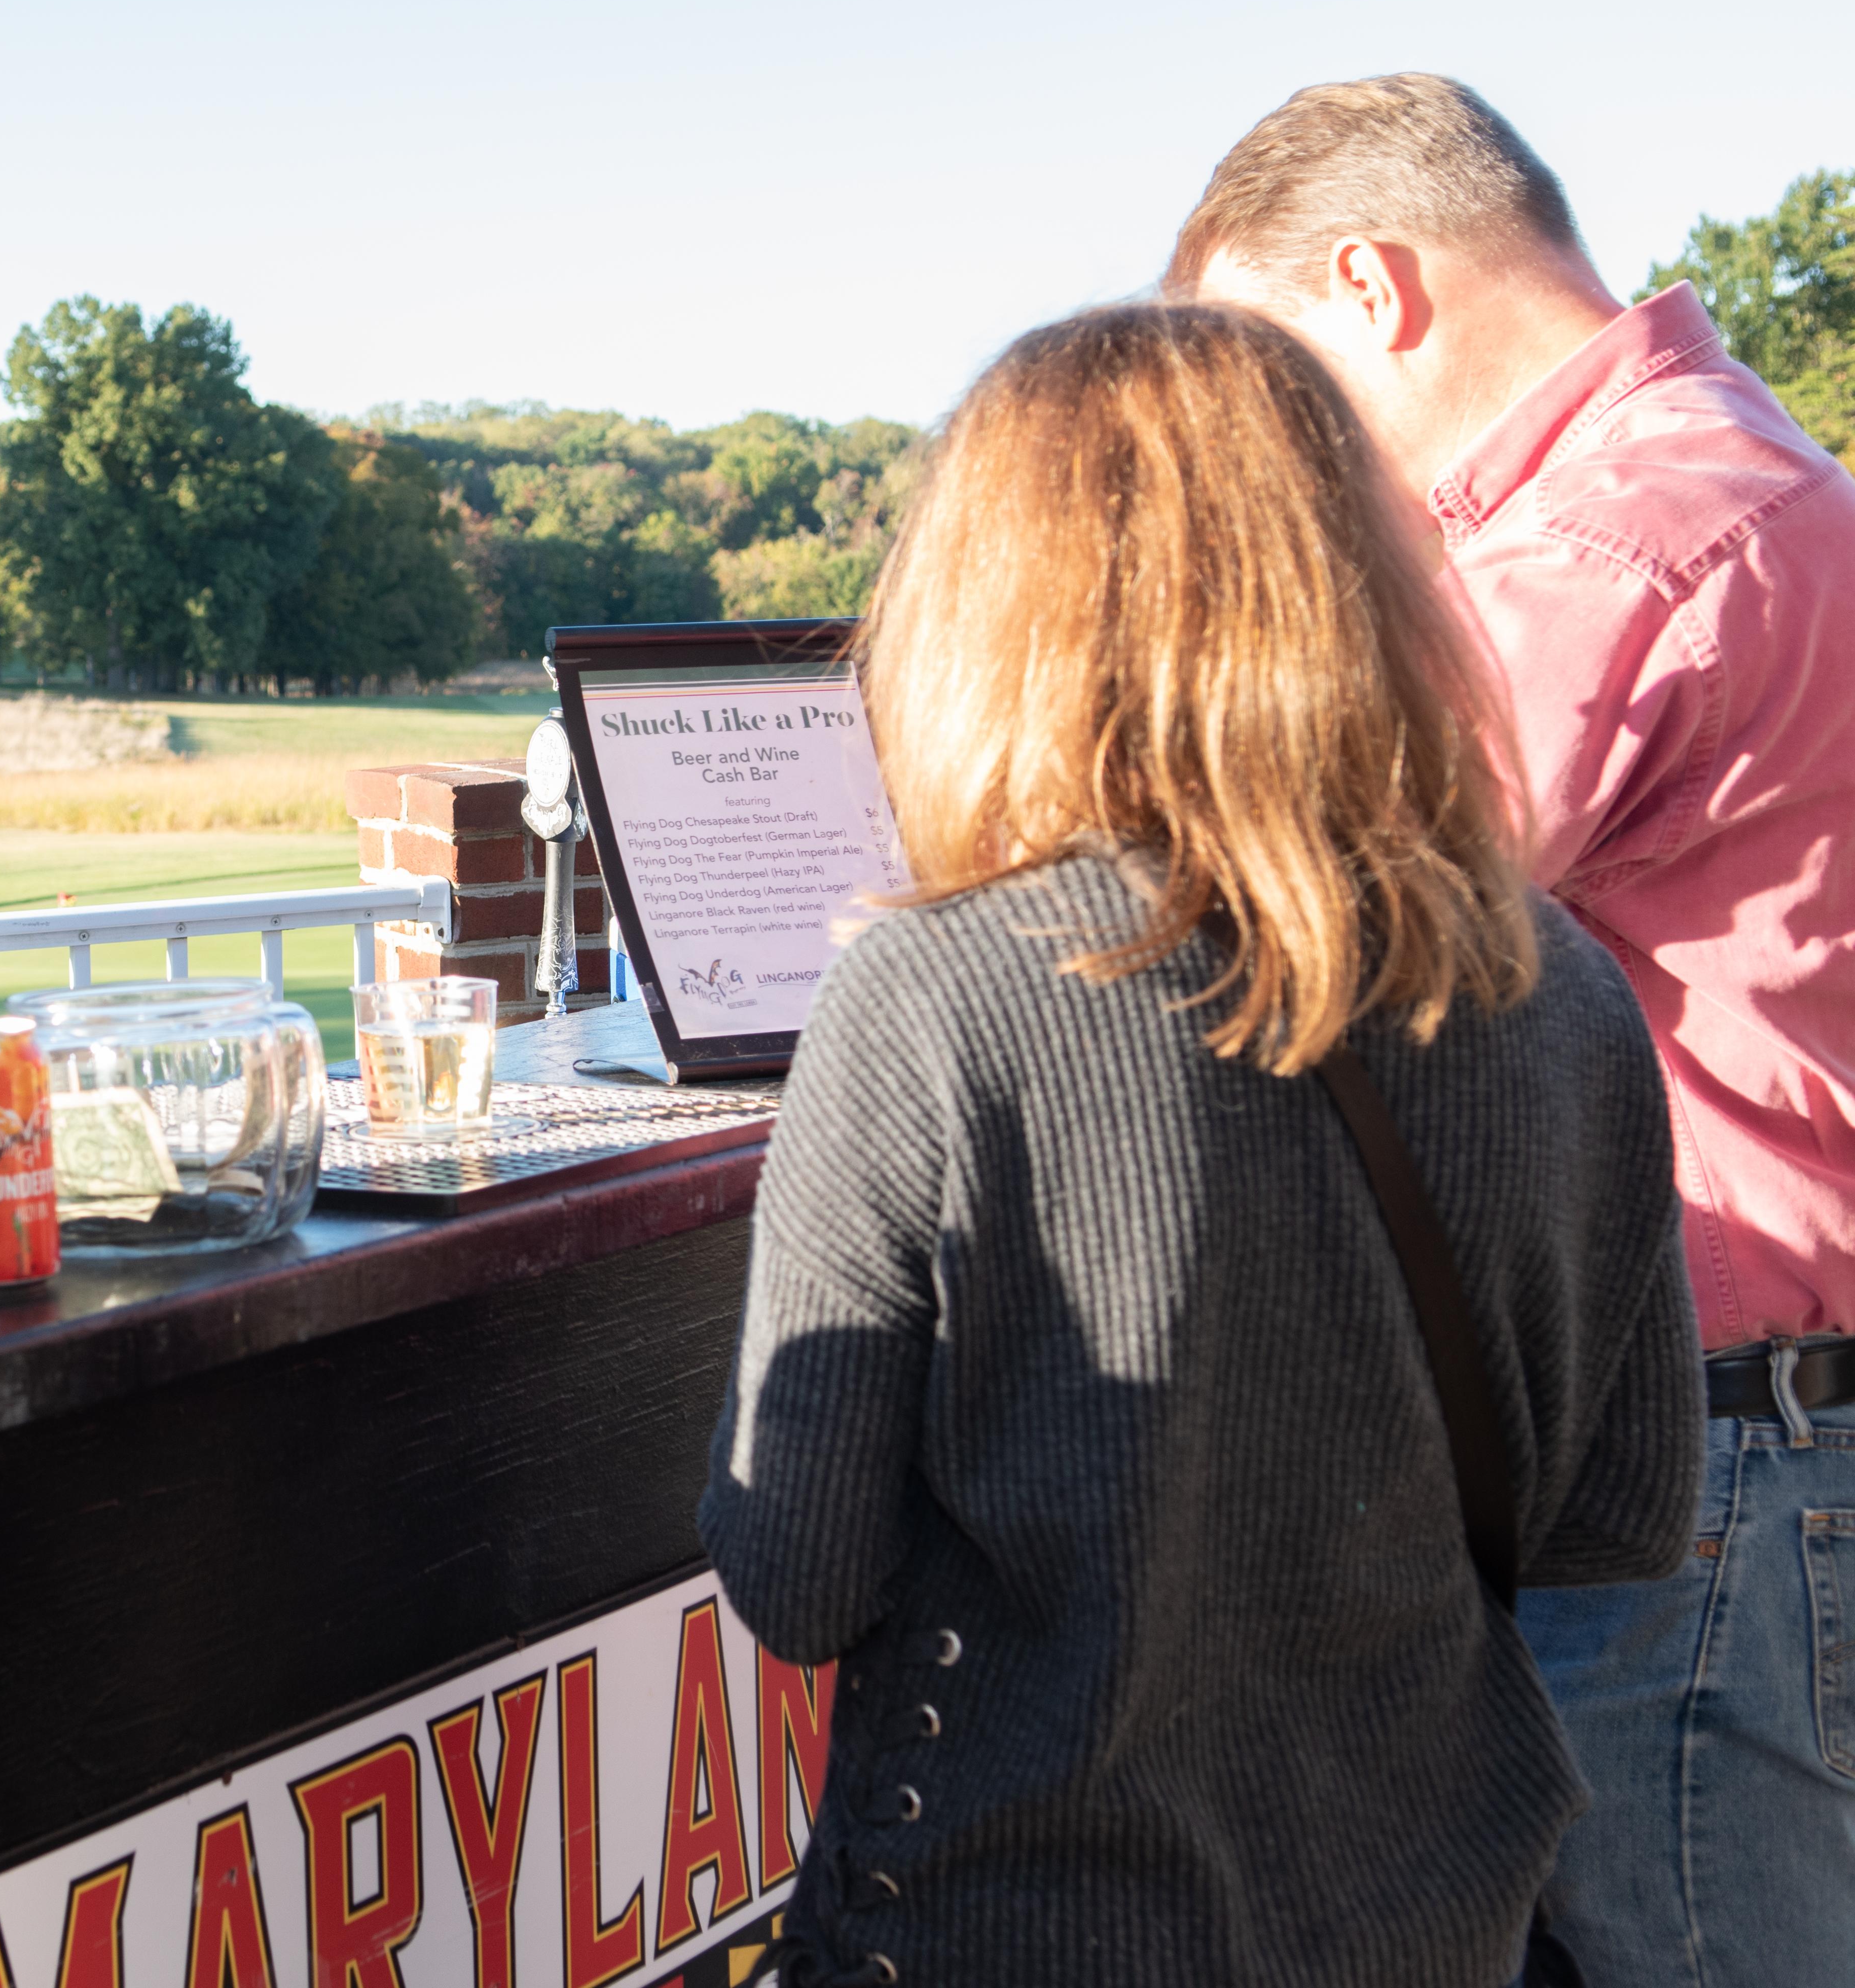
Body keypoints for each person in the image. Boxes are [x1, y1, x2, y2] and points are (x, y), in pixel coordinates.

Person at [698, 304, 1703, 1988]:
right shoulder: (1560, 988)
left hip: (1017, 1918)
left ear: (982, 615)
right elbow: (1623, 1514)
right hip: (1432, 1916)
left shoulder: (940, 999)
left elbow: (796, 1575)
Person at [1166, 76, 1855, 1984]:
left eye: (1278, 381)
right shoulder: (1740, 475)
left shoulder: (1610, 547)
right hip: (1756, 1465)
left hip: (1702, 1476)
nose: (1280, 462)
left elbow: (1307, 929)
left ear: (1376, 286)